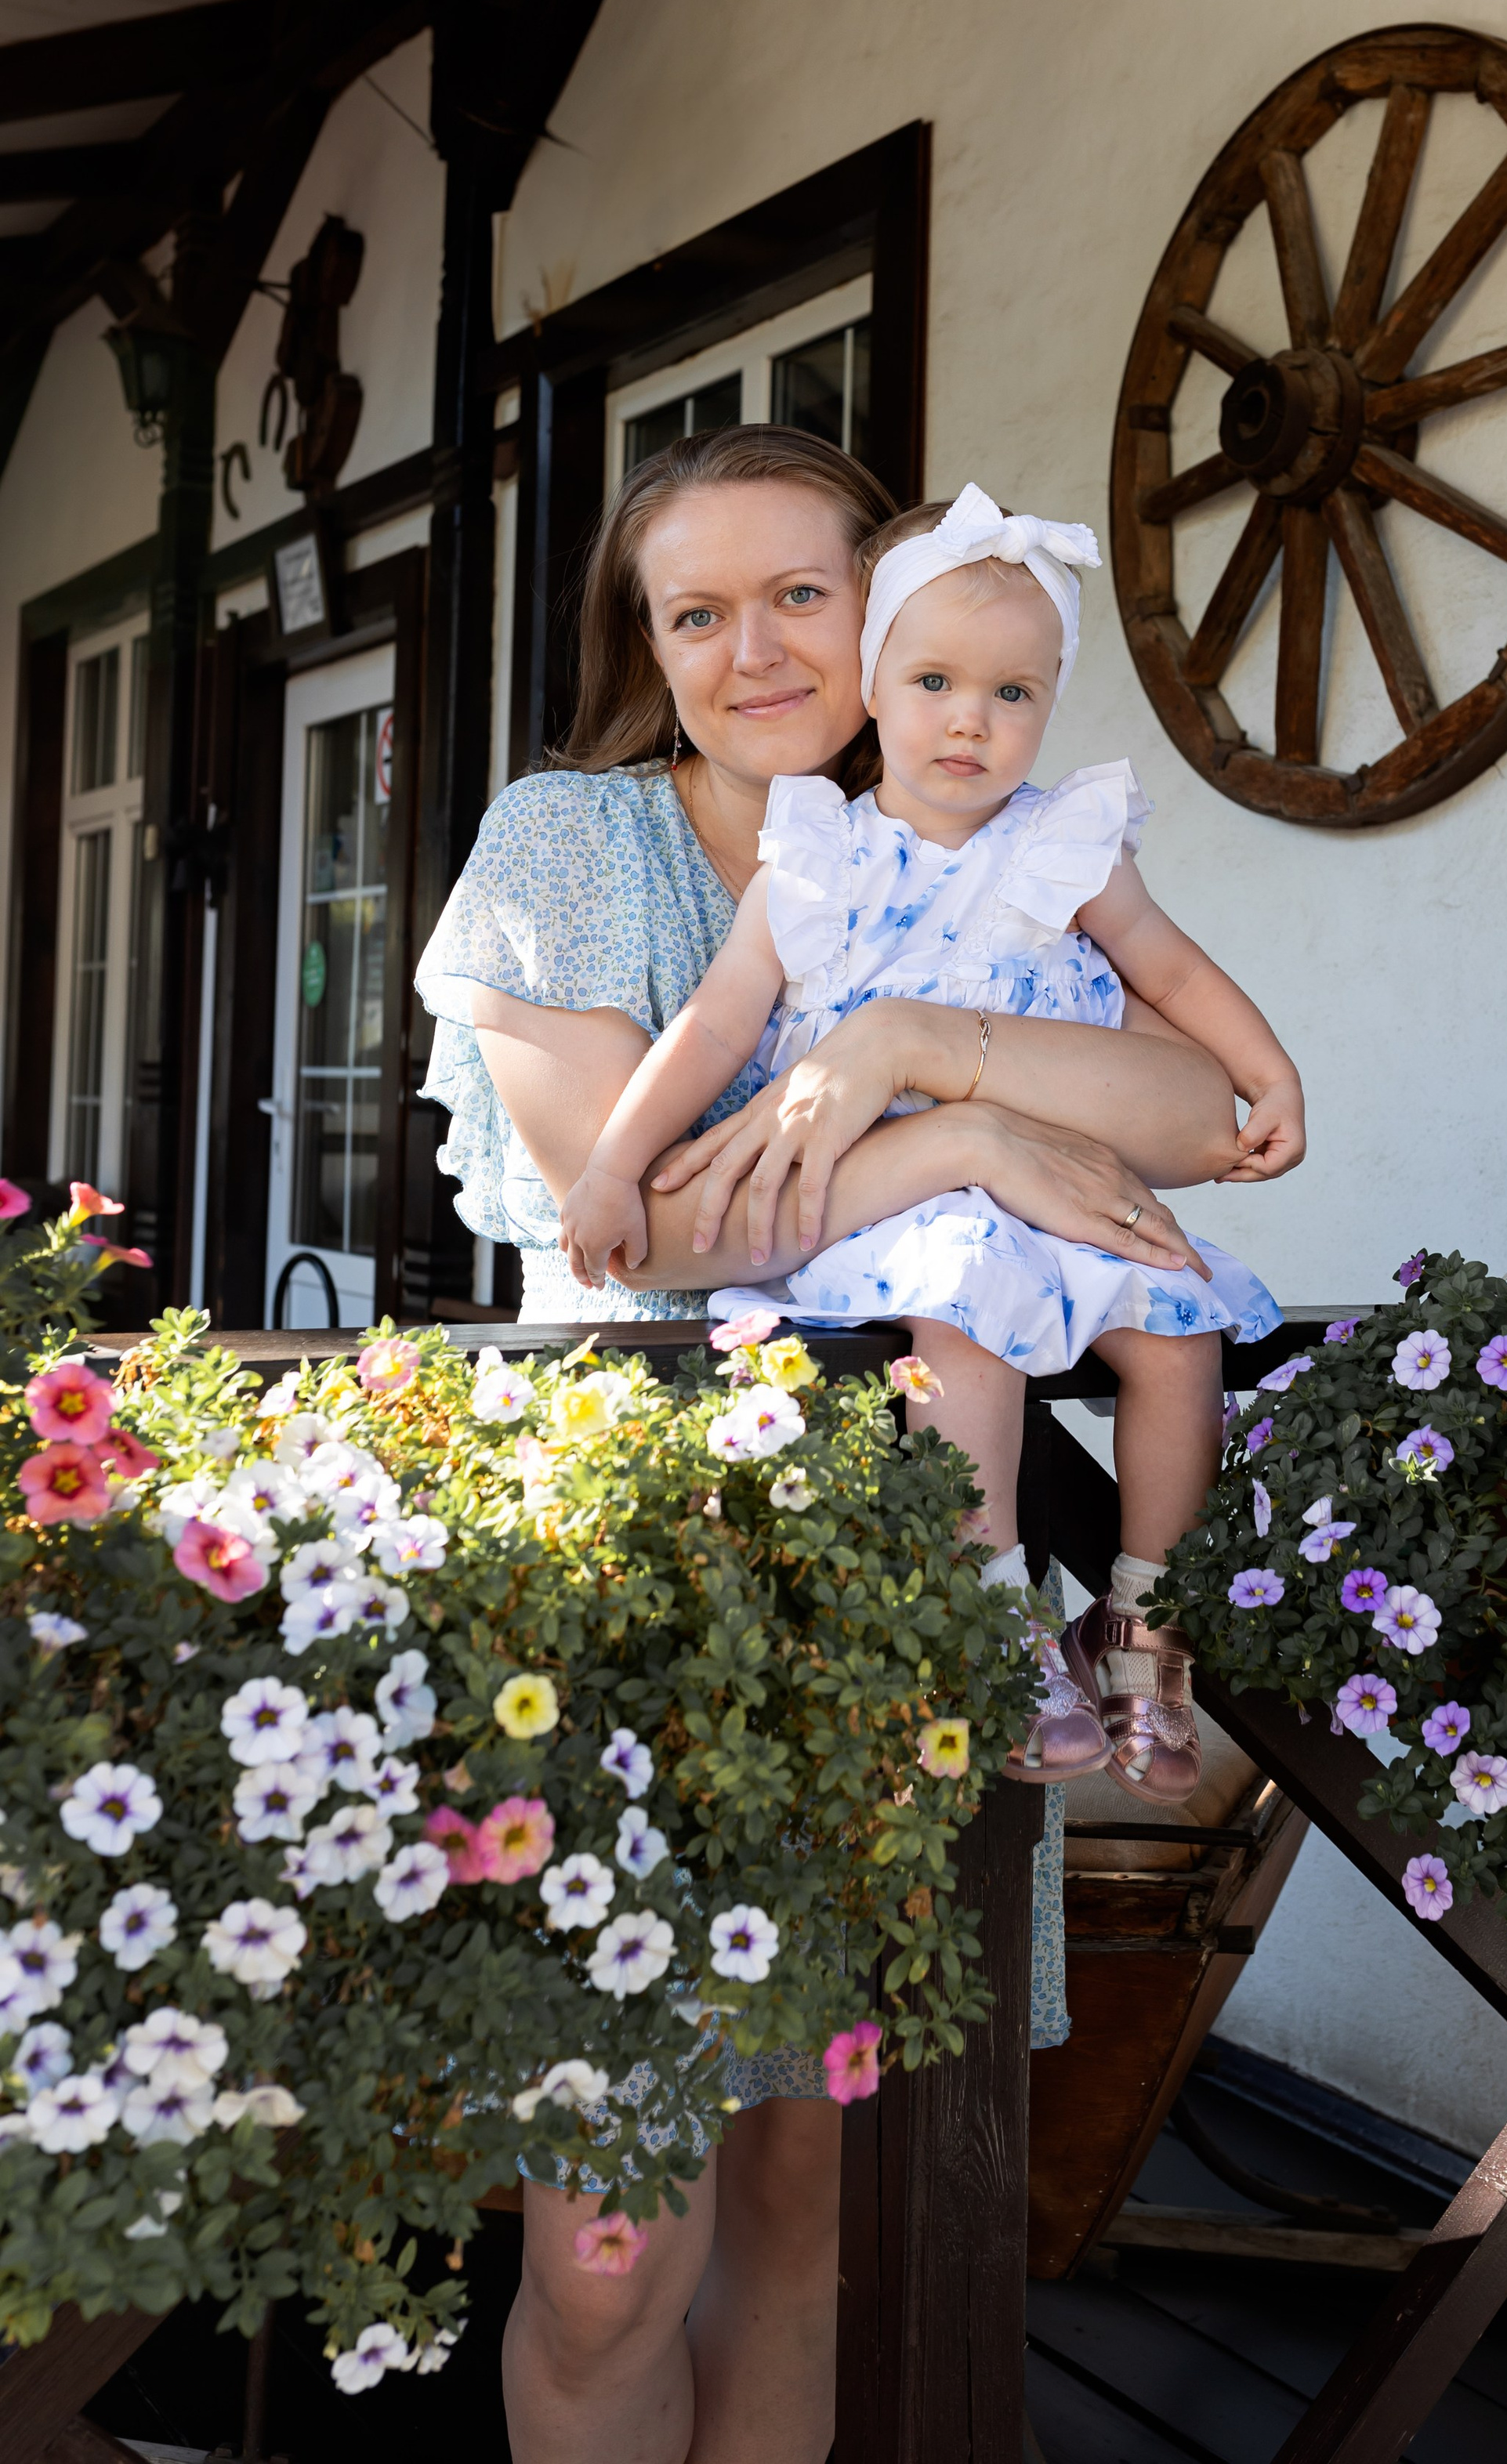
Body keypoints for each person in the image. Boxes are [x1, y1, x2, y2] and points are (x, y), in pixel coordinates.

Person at [413, 425, 1252, 2464]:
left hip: (913, 1602)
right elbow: (668, 1217)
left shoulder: (991, 824)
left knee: (816, 2211)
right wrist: (964, 1132)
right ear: (653, 645)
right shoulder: (569, 845)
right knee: (612, 2235)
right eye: (695, 611)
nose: (753, 645)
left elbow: (1198, 1112)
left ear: (883, 620)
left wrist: (906, 1047)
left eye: (802, 593)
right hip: (636, 1598)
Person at [560, 483, 1304, 1804]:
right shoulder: (823, 856)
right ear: (877, 680)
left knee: (1184, 1322)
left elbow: (1172, 972)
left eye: (1014, 694)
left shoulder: (1067, 848)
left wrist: (1265, 1071)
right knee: (968, 1317)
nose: (972, 718)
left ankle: (1143, 1616)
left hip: (1057, 1193)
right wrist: (616, 1164)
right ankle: (996, 1612)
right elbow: (717, 1027)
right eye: (938, 681)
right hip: (900, 1210)